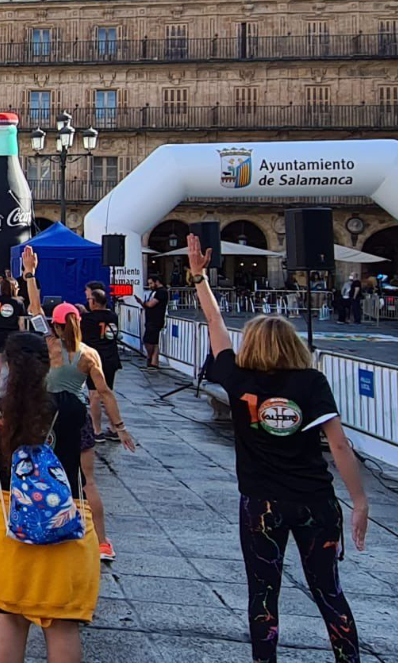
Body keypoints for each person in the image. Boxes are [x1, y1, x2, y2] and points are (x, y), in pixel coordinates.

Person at [185, 234, 368, 663]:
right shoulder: (311, 383)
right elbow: (339, 446)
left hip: (261, 503)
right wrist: (358, 500)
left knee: (263, 593)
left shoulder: (237, 377)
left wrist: (199, 277)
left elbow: (214, 322)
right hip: (315, 502)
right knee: (330, 592)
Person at [0, 331, 98, 663]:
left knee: (8, 615)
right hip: (66, 520)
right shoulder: (73, 408)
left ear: (9, 366)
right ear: (48, 365)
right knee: (62, 624)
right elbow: (87, 459)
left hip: (6, 518)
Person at [19, 247, 138, 563]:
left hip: (49, 418)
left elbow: (33, 306)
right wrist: (121, 428)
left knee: (44, 475)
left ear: (57, 325)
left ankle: (45, 529)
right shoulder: (89, 355)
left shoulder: (50, 345)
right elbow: (106, 393)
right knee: (88, 481)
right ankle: (102, 542)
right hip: (79, 417)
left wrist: (30, 272)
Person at [80, 289, 122, 442]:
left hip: (96, 360)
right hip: (111, 357)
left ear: (94, 301)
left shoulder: (87, 319)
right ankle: (114, 427)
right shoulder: (113, 316)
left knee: (94, 395)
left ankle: (97, 430)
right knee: (108, 392)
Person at [0, 273, 29, 392]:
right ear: (14, 288)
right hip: (13, 337)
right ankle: (11, 393)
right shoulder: (19, 303)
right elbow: (21, 324)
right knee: (12, 368)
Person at [140, 274, 169, 369]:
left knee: (148, 340)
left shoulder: (161, 292)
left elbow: (151, 304)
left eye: (151, 283)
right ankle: (154, 362)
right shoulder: (155, 292)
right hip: (151, 319)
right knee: (154, 342)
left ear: (157, 282)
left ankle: (150, 357)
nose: (150, 286)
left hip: (155, 320)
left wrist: (144, 303)